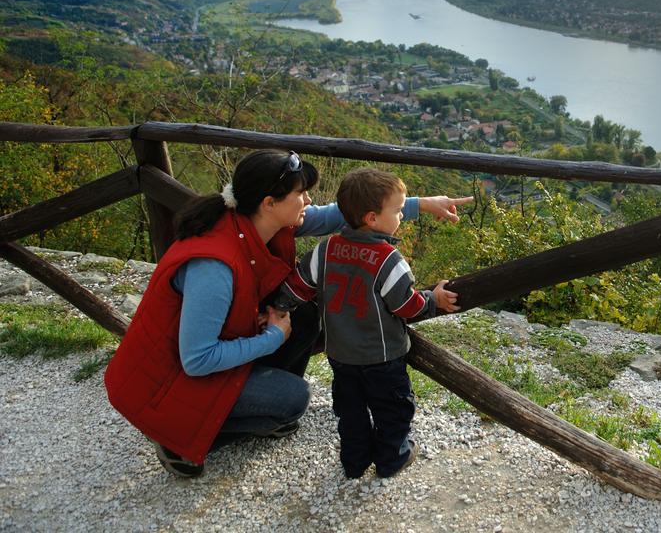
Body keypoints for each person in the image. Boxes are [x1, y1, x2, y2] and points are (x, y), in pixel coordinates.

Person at [104, 149, 469, 478]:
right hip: (167, 384)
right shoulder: (212, 267)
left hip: (201, 360)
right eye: (300, 194)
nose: (308, 201)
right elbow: (197, 359)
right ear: (269, 202)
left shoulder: (266, 220)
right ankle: (180, 438)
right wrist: (271, 339)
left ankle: (259, 407)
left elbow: (349, 214)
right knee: (293, 399)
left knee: (306, 315)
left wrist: (419, 204)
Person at [270, 167, 458, 479]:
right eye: (397, 211)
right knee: (392, 409)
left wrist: (278, 307)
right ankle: (391, 458)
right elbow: (407, 307)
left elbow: (297, 286)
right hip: (382, 357)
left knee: (350, 410)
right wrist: (433, 300)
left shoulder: (325, 250)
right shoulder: (389, 259)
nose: (400, 216)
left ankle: (354, 461)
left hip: (341, 355)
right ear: (372, 218)